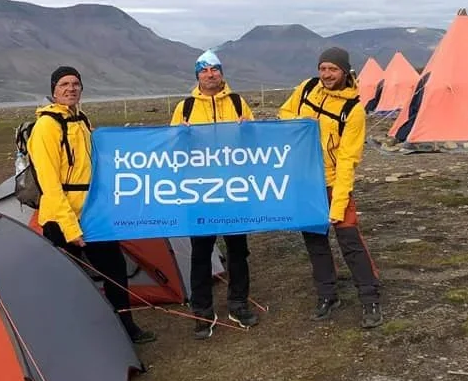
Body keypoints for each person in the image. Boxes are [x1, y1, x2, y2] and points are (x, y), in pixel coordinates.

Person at [29, 65, 157, 344]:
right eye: (64, 84)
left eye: (75, 84)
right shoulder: (46, 127)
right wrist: (70, 226)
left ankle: (125, 326)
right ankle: (71, 333)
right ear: (53, 91)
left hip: (92, 211)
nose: (71, 88)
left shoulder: (82, 120)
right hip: (61, 217)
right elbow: (49, 183)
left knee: (114, 270)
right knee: (68, 278)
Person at [278, 47, 383, 329]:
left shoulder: (353, 110)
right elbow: (284, 112)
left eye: (332, 69)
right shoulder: (307, 88)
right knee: (315, 241)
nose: (326, 74)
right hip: (305, 180)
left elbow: (349, 159)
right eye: (322, 68)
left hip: (333, 181)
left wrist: (339, 201)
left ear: (344, 71)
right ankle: (327, 295)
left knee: (349, 240)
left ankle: (370, 298)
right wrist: (303, 125)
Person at [170, 50, 260, 339]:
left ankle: (238, 304)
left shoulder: (237, 102)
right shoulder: (184, 108)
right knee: (200, 253)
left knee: (237, 250)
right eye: (204, 70)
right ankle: (202, 312)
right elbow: (172, 151)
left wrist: (249, 131)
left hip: (234, 190)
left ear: (222, 73)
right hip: (200, 193)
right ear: (197, 75)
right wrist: (179, 137)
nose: (210, 74)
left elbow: (257, 142)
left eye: (215, 69)